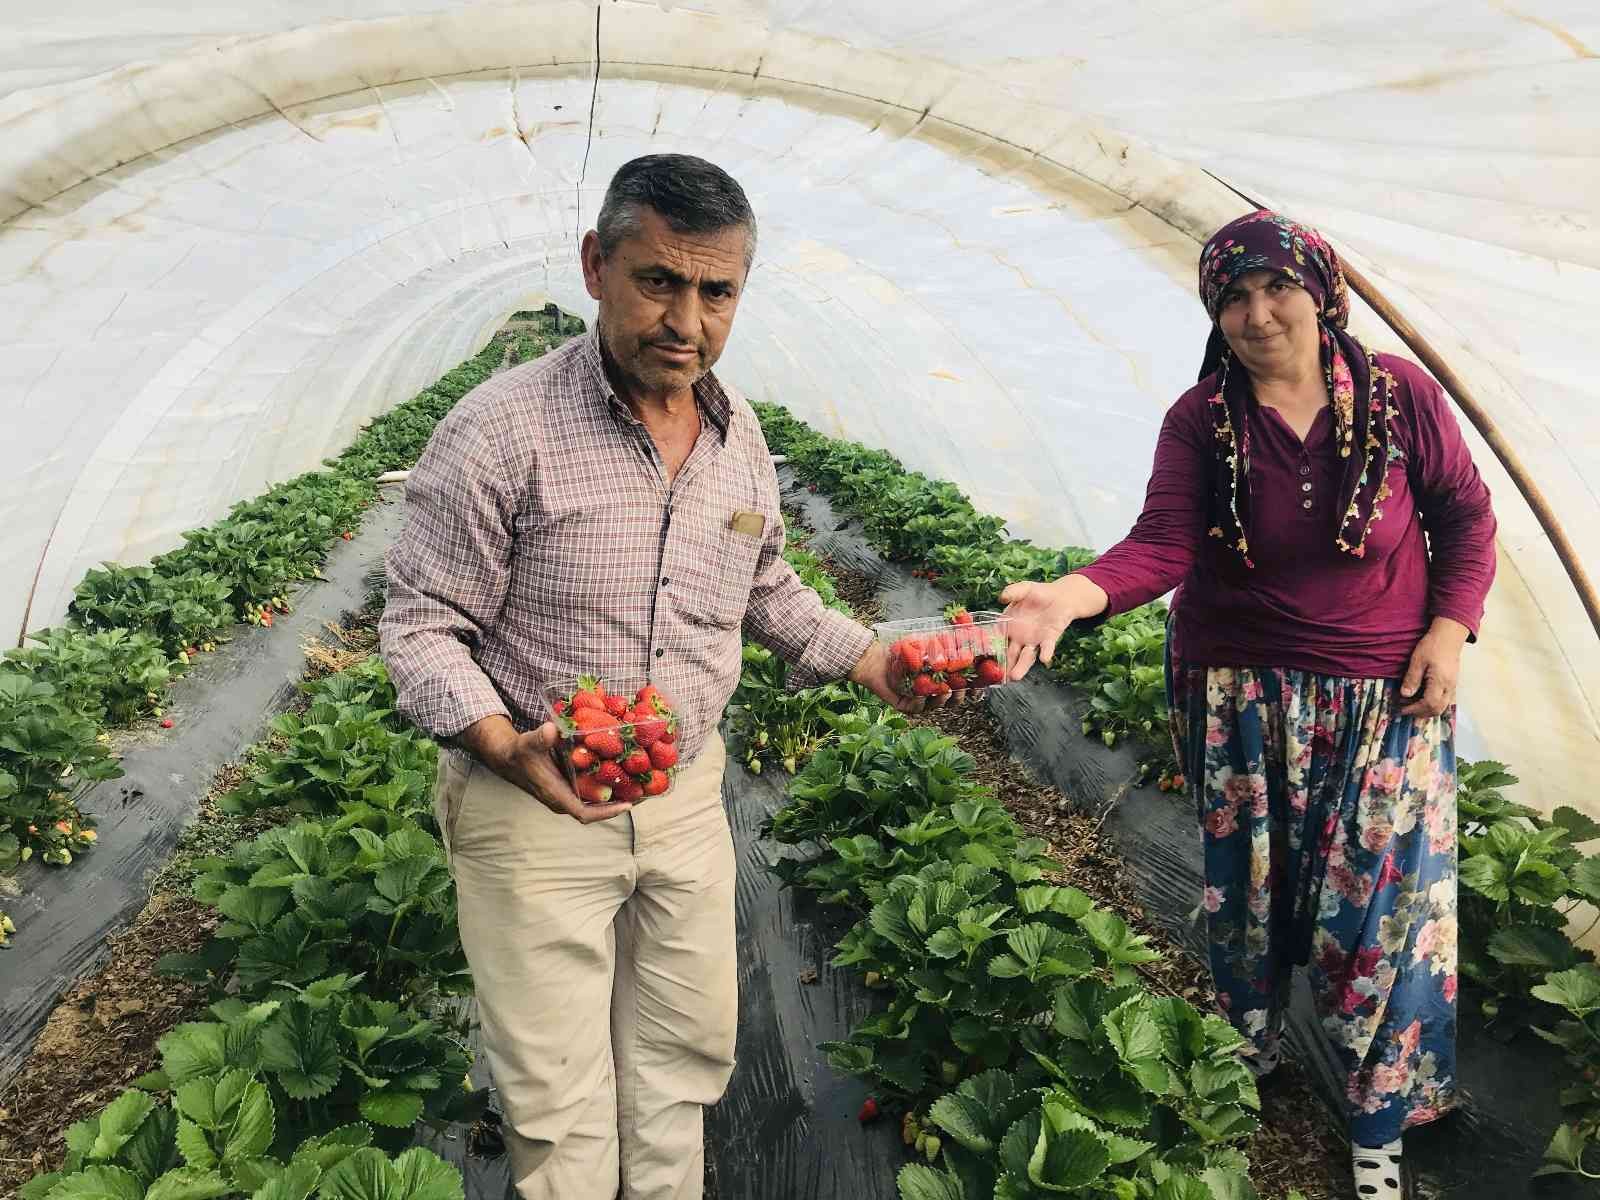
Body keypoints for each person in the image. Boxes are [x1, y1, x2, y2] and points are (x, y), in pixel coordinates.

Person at [378, 153, 919, 1200]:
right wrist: (503, 744)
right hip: (535, 803)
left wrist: (870, 656)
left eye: (716, 291)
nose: (687, 318)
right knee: (557, 1100)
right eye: (658, 280)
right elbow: (422, 631)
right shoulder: (498, 432)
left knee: (683, 1064)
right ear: (596, 265)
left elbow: (767, 588)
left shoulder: (738, 436)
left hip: (682, 799)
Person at [998, 210, 1496, 1200]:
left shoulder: (1399, 399)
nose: (1258, 312)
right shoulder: (1203, 420)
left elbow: (1466, 518)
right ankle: (1246, 1058)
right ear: (1212, 313)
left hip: (1381, 697)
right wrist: (1071, 593)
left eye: (1276, 287)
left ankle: (1376, 1121)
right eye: (1232, 296)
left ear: (1320, 291)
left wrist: (1449, 628)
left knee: (1377, 916)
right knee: (1251, 899)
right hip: (1239, 693)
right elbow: (1161, 545)